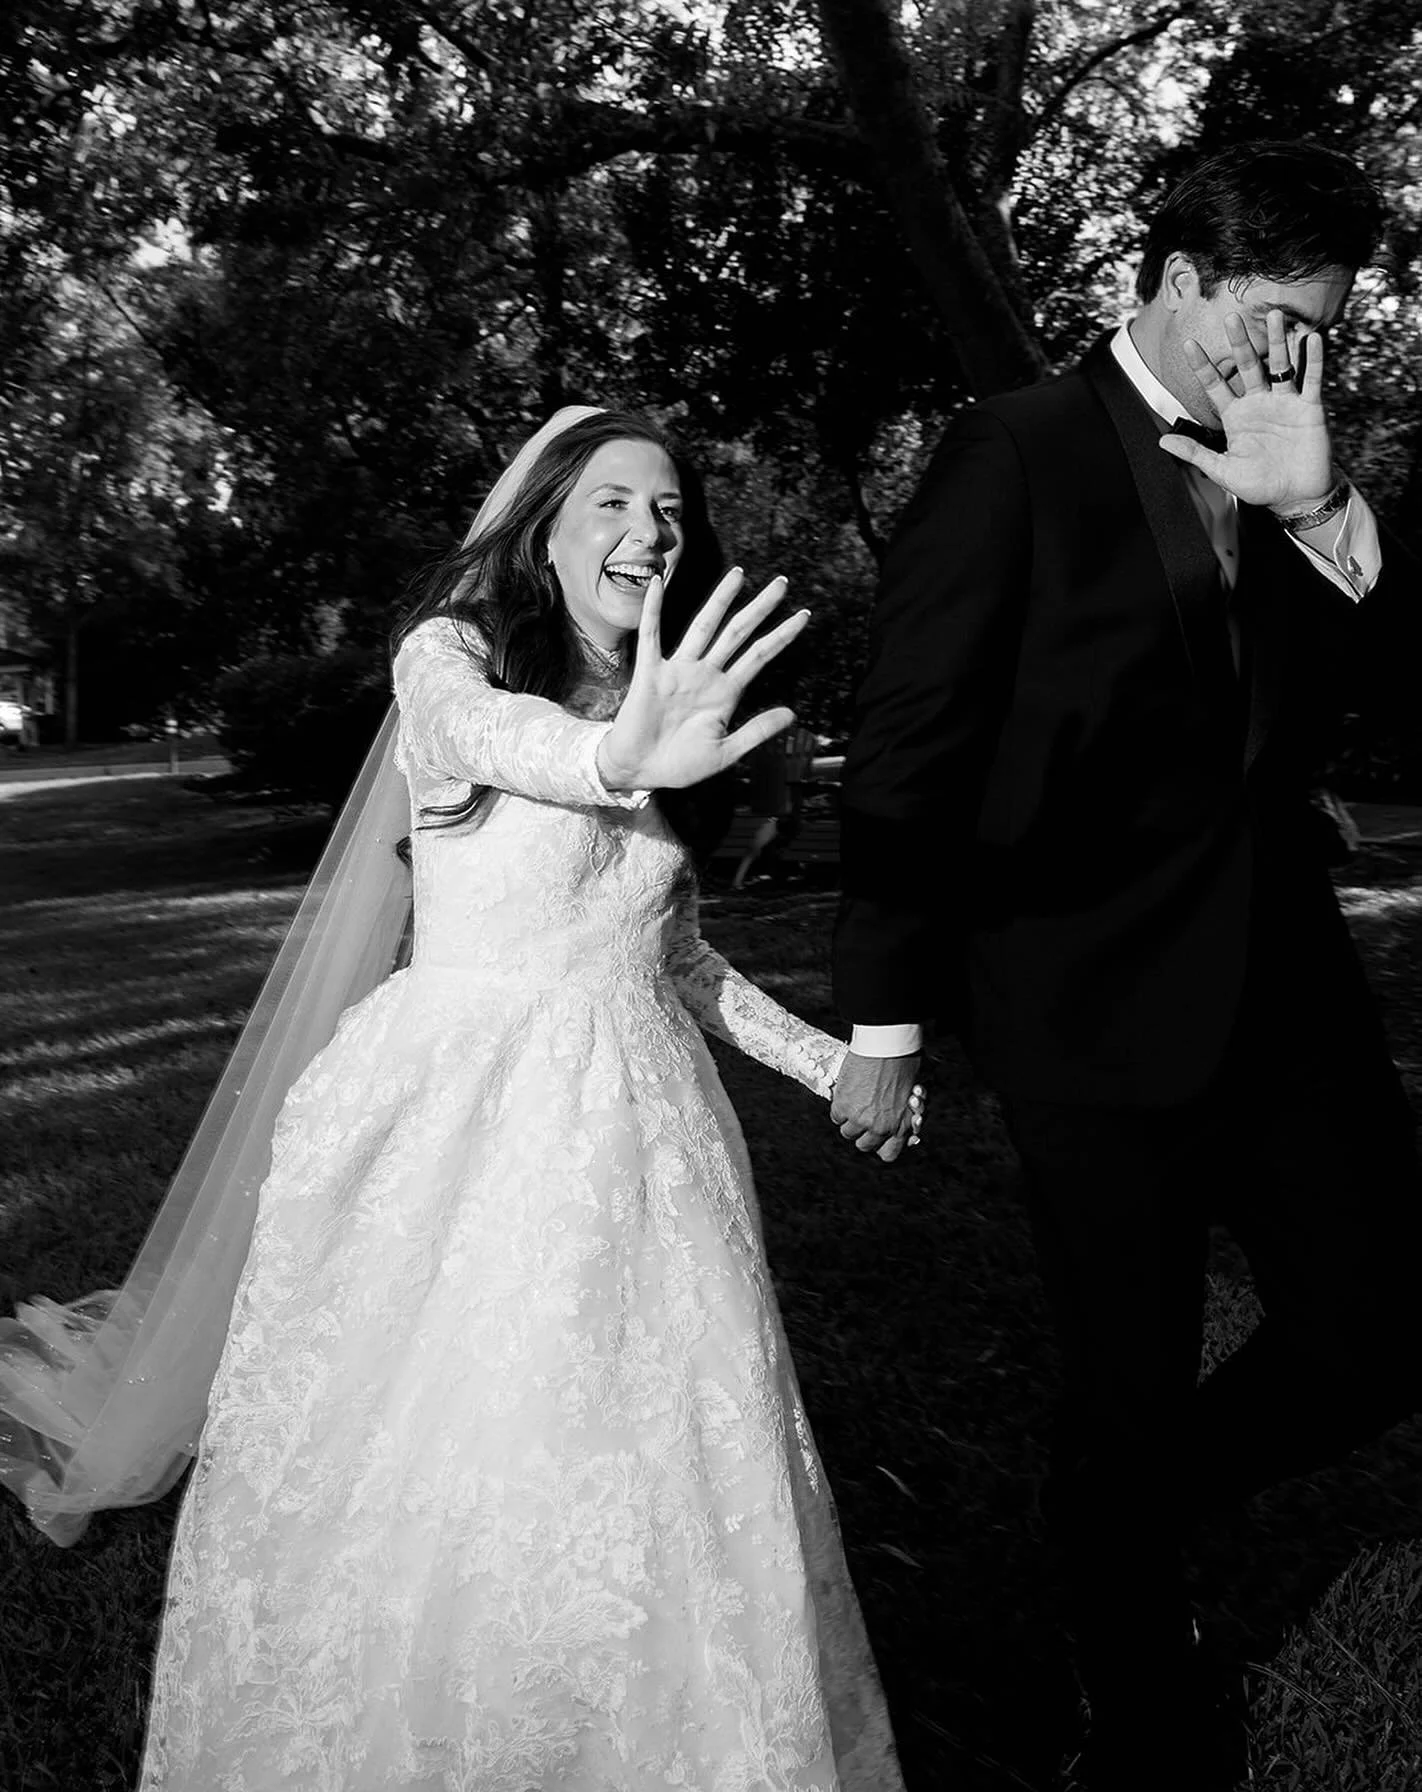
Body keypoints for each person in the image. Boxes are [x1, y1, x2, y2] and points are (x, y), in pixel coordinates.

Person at [1, 408, 911, 1790]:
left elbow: (668, 953)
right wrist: (616, 759)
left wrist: (829, 1058)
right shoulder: (450, 657)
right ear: (542, 526)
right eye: (608, 503)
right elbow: (491, 737)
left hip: (639, 1125)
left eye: (665, 510)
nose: (644, 533)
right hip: (455, 1113)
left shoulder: (676, 698)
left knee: (645, 1457)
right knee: (432, 1444)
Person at [828, 141, 1422, 1790]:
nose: (1294, 358)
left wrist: (1315, 504)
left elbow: (1368, 685)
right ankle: (1131, 1668)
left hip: (1284, 991)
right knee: (1127, 1370)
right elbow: (906, 755)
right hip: (1082, 1008)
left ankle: (1118, 1509)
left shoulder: (1291, 444)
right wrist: (880, 1014)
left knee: (1379, 1330)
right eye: (1270, 322)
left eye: (1323, 328)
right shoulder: (1008, 455)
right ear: (1174, 282)